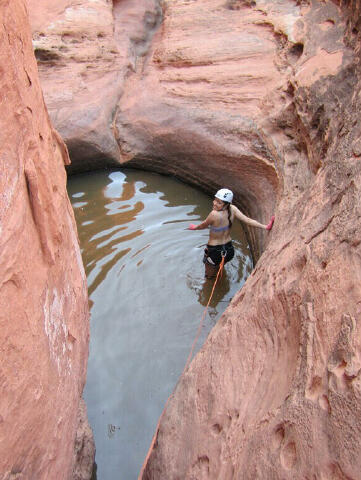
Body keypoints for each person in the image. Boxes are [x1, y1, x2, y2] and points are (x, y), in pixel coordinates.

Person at [188, 188, 274, 278]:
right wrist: (265, 227)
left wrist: (194, 228)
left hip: (215, 252)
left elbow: (203, 225)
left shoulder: (214, 214)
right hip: (229, 251)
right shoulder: (233, 209)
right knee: (220, 266)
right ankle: (221, 278)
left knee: (208, 276)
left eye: (219, 202)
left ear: (226, 204)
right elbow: (247, 220)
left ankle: (210, 285)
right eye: (215, 200)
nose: (214, 203)